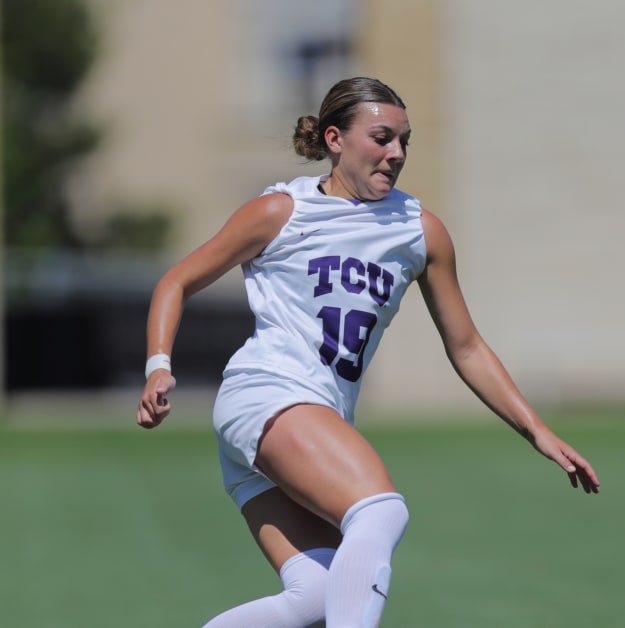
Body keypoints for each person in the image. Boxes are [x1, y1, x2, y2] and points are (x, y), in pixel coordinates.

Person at [136, 76, 600, 628]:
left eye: (405, 141)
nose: (396, 154)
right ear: (335, 139)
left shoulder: (419, 230)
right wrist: (158, 366)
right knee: (380, 510)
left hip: (310, 420)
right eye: (382, 138)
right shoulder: (282, 211)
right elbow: (176, 281)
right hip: (266, 394)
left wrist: (538, 431)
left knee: (317, 596)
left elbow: (467, 346)